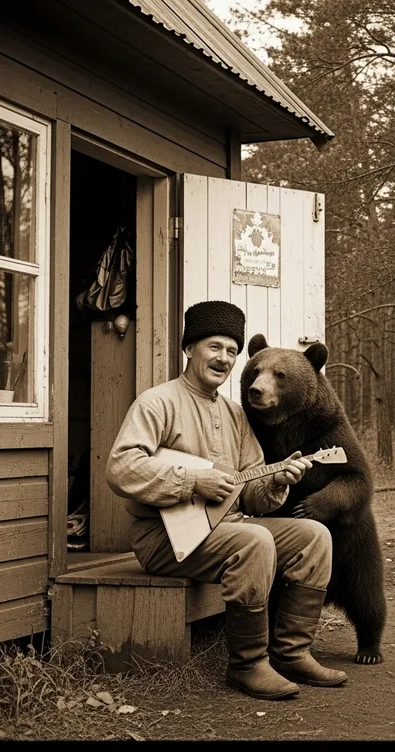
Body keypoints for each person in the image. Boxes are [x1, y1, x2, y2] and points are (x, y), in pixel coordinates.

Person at [106, 300, 347, 700]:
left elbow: (249, 493)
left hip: (224, 528)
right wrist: (190, 483)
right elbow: (120, 467)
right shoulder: (158, 402)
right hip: (163, 539)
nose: (224, 358)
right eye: (214, 347)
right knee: (255, 541)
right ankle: (248, 664)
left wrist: (275, 482)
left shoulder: (236, 416)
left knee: (314, 536)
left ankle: (292, 653)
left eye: (232, 352)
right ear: (189, 349)